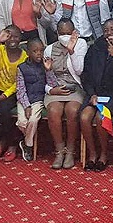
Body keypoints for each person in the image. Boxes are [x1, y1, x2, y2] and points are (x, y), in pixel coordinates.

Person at [43, 19, 89, 170]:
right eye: (62, 33)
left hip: (75, 88)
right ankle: (59, 150)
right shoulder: (49, 49)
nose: (65, 36)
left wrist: (71, 50)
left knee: (72, 111)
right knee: (54, 111)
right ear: (57, 33)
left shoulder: (81, 44)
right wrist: (51, 90)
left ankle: (70, 150)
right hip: (56, 89)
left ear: (74, 32)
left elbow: (80, 71)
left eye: (68, 33)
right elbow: (46, 75)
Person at [79, 18, 113, 172]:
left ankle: (104, 154)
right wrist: (91, 94)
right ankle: (92, 154)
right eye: (106, 30)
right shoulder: (95, 48)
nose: (109, 33)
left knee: (101, 117)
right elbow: (86, 75)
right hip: (95, 94)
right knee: (84, 117)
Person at [0, 25, 27, 162]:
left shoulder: (24, 56)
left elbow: (18, 83)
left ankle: (12, 144)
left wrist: (1, 97)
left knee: (4, 111)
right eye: (9, 36)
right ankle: (1, 138)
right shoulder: (0, 50)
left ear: (21, 39)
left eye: (16, 36)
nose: (12, 39)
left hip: (14, 92)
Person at [15, 38, 50, 162]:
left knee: (33, 120)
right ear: (28, 53)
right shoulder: (21, 68)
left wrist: (48, 70)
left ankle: (28, 146)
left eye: (41, 51)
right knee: (23, 123)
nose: (39, 54)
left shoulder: (46, 65)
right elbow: (20, 89)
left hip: (39, 100)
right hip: (24, 100)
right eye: (35, 51)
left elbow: (52, 84)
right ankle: (26, 140)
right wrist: (26, 106)